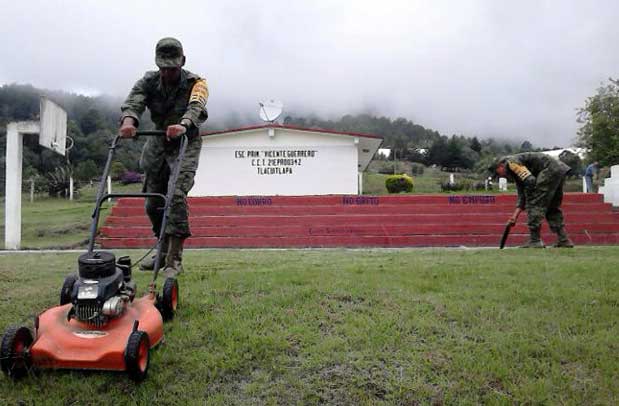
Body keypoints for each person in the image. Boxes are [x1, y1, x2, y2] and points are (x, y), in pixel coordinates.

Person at [118, 37, 208, 277]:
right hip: (158, 141)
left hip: (185, 142)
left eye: (172, 67)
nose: (167, 72)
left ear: (183, 62)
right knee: (152, 201)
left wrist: (184, 124)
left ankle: (173, 261)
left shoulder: (196, 83)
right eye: (163, 67)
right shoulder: (148, 81)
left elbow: (197, 107)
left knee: (175, 195)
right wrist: (129, 121)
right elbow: (135, 100)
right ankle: (161, 249)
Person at [491, 152, 574, 248]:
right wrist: (514, 217)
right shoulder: (516, 168)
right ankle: (564, 239)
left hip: (549, 170)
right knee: (552, 207)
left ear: (501, 166)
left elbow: (530, 181)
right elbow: (522, 195)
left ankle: (535, 240)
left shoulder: (511, 163)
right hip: (559, 169)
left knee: (534, 204)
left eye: (498, 173)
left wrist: (531, 200)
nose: (500, 176)